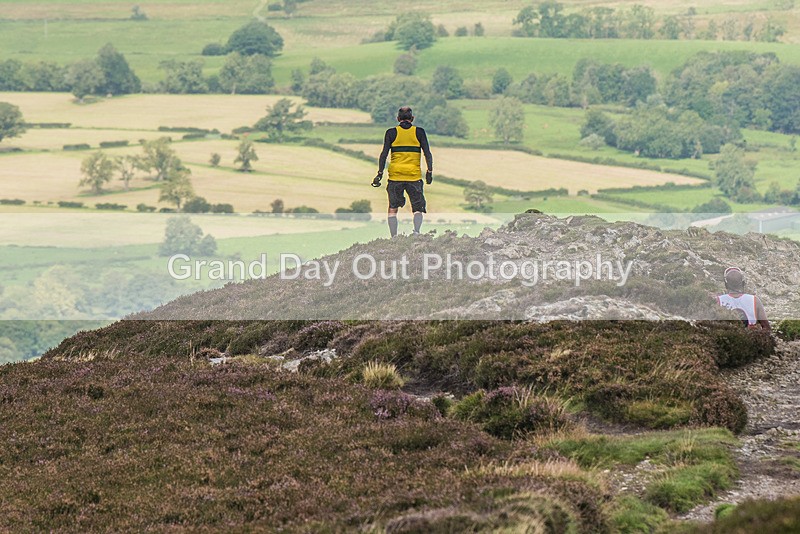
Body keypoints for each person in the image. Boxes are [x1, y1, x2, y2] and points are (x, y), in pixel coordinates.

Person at [371, 106, 433, 237]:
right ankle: (416, 232)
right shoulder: (419, 132)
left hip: (395, 176)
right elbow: (427, 153)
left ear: (398, 119)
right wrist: (429, 171)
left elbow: (384, 154)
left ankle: (393, 236)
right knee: (417, 207)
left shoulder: (391, 133)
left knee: (393, 207)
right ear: (412, 118)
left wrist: (380, 173)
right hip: (414, 176)